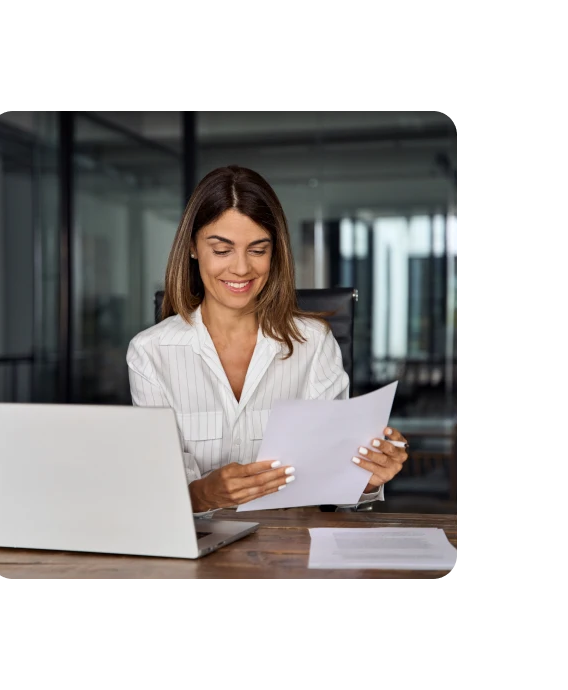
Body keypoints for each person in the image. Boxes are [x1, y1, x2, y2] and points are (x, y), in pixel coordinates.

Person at [127, 165, 409, 514]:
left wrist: (364, 480)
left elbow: (331, 484)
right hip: (197, 552)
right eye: (222, 250)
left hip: (292, 553)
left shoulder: (313, 342)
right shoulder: (150, 353)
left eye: (258, 250)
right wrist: (203, 494)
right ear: (193, 248)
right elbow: (158, 491)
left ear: (275, 253)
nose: (242, 269)